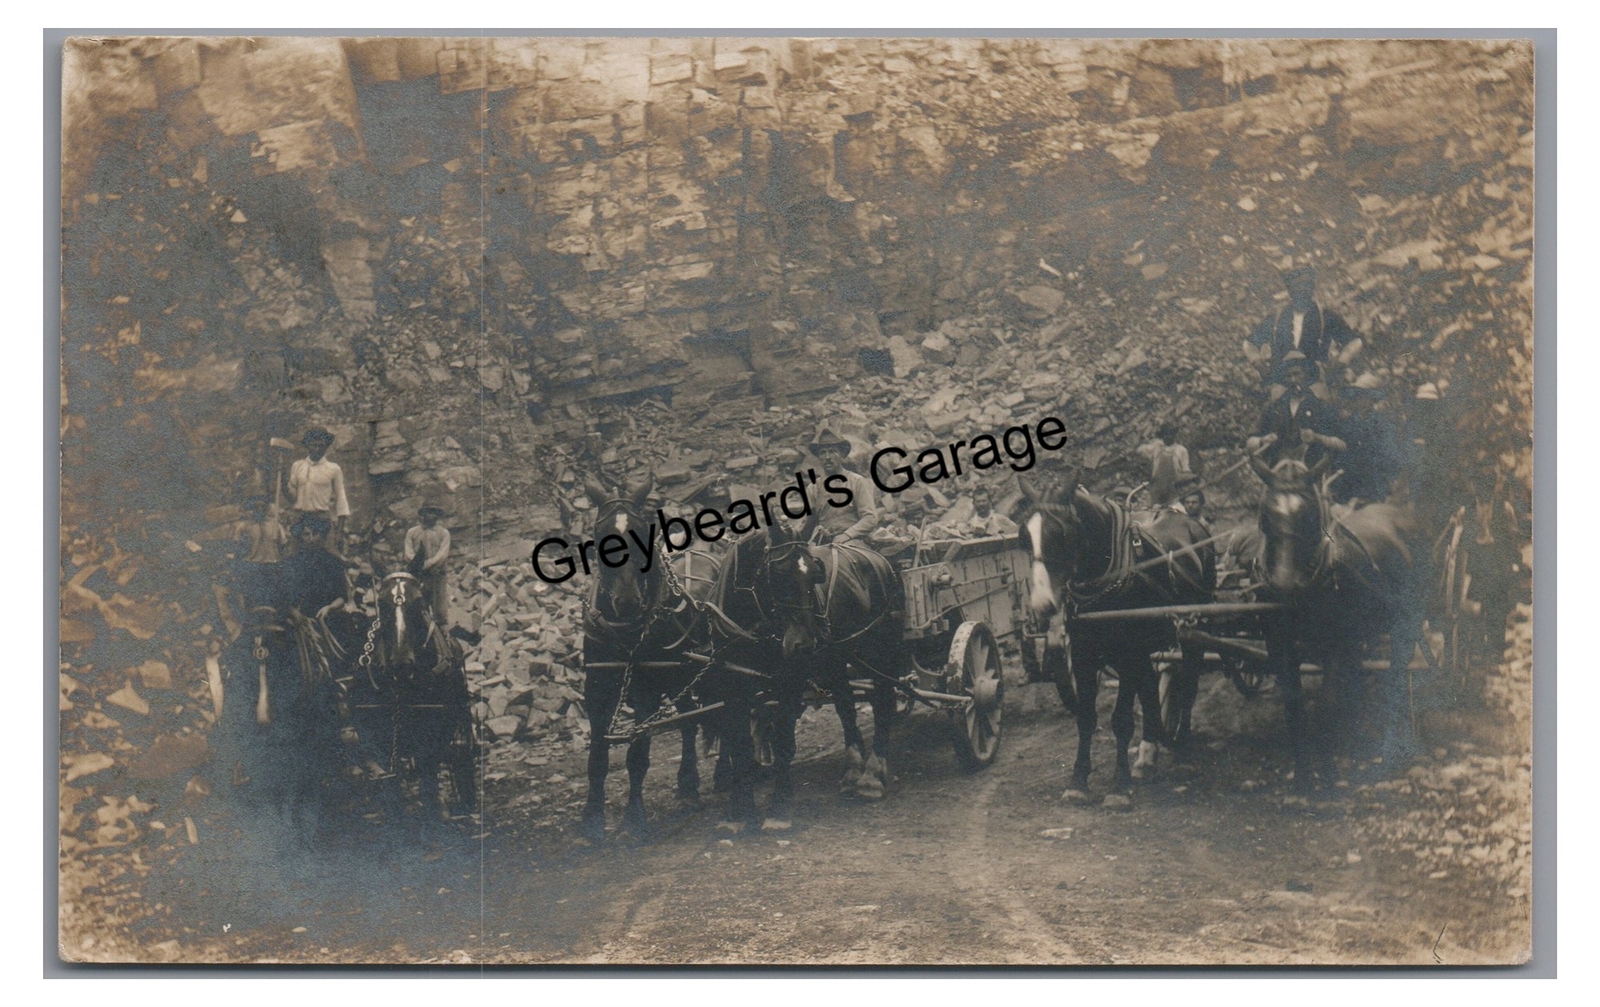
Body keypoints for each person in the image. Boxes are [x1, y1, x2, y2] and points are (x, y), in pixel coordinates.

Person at [1244, 266, 1357, 393]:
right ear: (1290, 289)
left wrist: (1339, 364)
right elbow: (1249, 343)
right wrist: (1260, 366)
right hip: (1282, 381)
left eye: (1306, 285)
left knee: (1322, 405)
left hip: (1315, 381)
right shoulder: (1276, 317)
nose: (1302, 290)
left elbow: (1354, 341)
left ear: (1312, 288)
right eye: (1297, 285)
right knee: (1274, 406)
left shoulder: (1325, 316)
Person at [1246, 352, 1346, 470]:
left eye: (1297, 374)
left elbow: (1342, 445)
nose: (1293, 380)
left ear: (1307, 375)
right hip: (1277, 473)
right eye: (1288, 376)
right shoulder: (1273, 407)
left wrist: (1316, 437)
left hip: (1311, 474)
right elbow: (1250, 442)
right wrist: (1263, 440)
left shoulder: (1322, 407)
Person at [1331, 371, 1404, 506]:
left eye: (1363, 396)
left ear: (1372, 398)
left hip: (1372, 485)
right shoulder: (1350, 422)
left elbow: (1391, 457)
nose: (1358, 400)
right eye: (1356, 396)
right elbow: (1340, 450)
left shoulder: (1383, 424)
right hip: (1346, 483)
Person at [808, 426, 880, 546]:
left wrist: (847, 535)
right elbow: (809, 523)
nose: (827, 457)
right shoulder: (813, 488)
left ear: (842, 454)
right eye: (823, 453)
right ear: (819, 457)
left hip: (854, 541)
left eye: (832, 451)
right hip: (824, 543)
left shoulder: (857, 482)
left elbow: (870, 518)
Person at [286, 427, 351, 554]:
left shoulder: (333, 469)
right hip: (300, 518)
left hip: (322, 520)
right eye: (313, 445)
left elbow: (341, 499)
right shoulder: (297, 466)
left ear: (326, 446)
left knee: (329, 558)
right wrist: (283, 481)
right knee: (294, 558)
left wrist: (339, 532)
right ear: (307, 445)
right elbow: (291, 496)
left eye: (321, 445)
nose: (317, 449)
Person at [278, 513, 350, 619]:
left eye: (315, 533)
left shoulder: (333, 562)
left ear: (321, 536)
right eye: (306, 534)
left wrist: (329, 607)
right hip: (297, 616)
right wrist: (293, 612)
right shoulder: (291, 563)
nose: (311, 539)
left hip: (324, 614)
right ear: (300, 537)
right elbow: (282, 597)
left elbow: (342, 596)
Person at [403, 502, 453, 624]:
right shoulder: (412, 532)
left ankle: (443, 636)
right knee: (417, 607)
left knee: (440, 610)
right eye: (430, 512)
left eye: (436, 512)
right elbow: (408, 552)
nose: (433, 515)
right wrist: (417, 563)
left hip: (437, 575)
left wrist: (429, 563)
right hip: (418, 575)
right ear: (423, 514)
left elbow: (442, 554)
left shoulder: (444, 533)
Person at [1136, 420, 1192, 506]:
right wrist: (1144, 437)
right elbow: (1140, 450)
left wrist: (1185, 482)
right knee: (1154, 511)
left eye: (1171, 434)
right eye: (1166, 434)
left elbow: (1186, 470)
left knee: (1172, 511)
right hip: (1157, 487)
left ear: (1175, 435)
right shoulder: (1156, 446)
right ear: (1162, 435)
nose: (1168, 436)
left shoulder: (1181, 450)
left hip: (1173, 489)